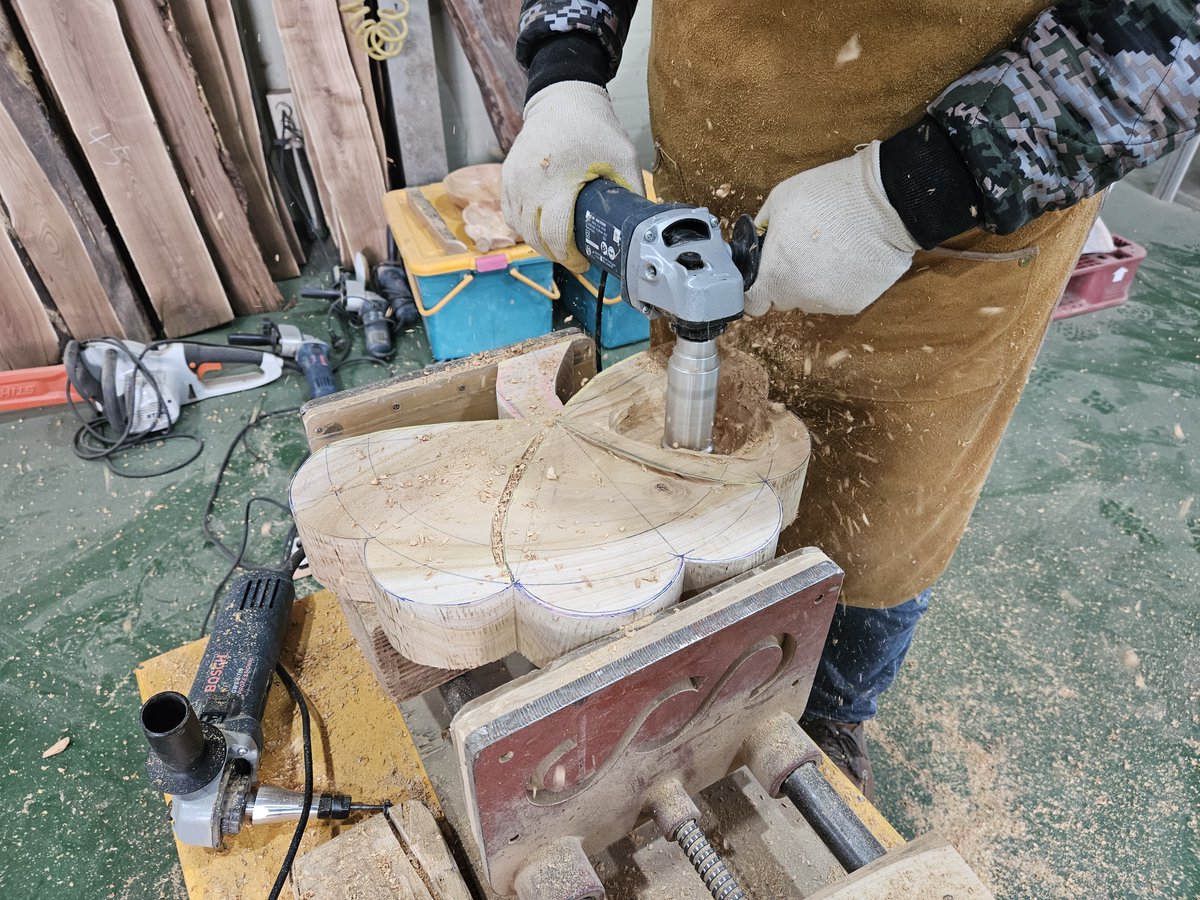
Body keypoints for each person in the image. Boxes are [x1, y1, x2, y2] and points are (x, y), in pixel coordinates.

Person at [501, 0, 1200, 800]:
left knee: (885, 522)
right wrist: (564, 67)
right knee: (690, 483)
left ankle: (828, 712)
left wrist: (914, 190)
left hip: (952, 240)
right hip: (717, 162)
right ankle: (689, 672)